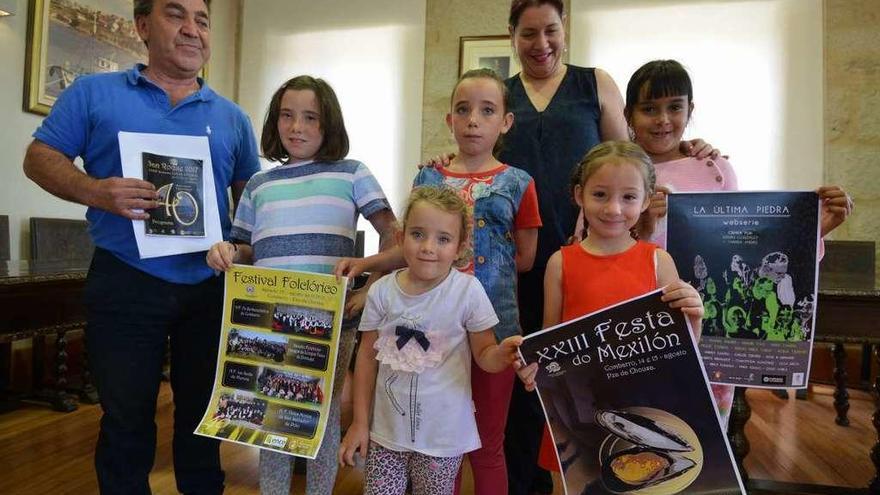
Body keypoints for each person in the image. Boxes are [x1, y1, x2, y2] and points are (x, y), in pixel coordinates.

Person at [21, 1, 260, 493]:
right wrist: (95, 190)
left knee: (202, 418)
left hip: (209, 286)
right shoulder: (92, 93)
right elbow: (38, 157)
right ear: (143, 26)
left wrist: (241, 249)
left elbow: (253, 205)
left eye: (203, 19)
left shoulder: (233, 118)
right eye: (177, 16)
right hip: (124, 280)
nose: (193, 30)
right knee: (126, 418)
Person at [335, 68, 541, 493]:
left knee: (487, 448)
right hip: (427, 330)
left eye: (487, 111)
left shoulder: (520, 183)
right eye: (462, 110)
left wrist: (468, 282)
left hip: (492, 327)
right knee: (421, 443)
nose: (472, 120)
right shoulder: (430, 177)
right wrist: (371, 264)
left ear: (505, 122)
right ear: (449, 119)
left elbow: (523, 259)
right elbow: (411, 246)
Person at [625, 59, 854, 422]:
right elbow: (599, 244)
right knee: (644, 425)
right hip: (640, 327)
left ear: (690, 110)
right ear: (628, 114)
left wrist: (816, 229)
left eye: (674, 107)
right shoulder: (617, 170)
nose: (662, 120)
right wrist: (647, 226)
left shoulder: (715, 169)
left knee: (708, 438)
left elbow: (748, 246)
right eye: (649, 109)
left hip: (712, 329)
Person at [205, 75, 396, 495]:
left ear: (329, 125)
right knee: (270, 415)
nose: (297, 127)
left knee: (323, 418)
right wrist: (226, 252)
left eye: (310, 118)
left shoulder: (352, 173)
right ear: (274, 122)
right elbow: (245, 248)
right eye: (287, 117)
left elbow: (393, 235)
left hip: (332, 319)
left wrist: (371, 288)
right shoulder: (259, 184)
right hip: (267, 320)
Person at [514, 140, 705, 478]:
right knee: (578, 482)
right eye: (600, 194)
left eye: (628, 197)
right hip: (576, 411)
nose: (614, 209)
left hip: (644, 406)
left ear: (646, 200)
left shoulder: (658, 262)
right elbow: (548, 346)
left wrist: (694, 315)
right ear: (578, 195)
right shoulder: (561, 263)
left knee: (640, 476)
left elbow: (683, 350)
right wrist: (533, 368)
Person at [338, 186, 524, 495]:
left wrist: (504, 355)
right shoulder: (382, 291)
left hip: (442, 438)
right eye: (418, 234)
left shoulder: (468, 291)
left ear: (460, 246)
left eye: (443, 239)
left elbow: (485, 354)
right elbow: (367, 359)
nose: (428, 247)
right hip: (386, 434)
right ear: (401, 237)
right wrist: (359, 422)